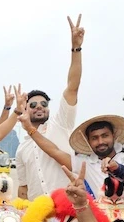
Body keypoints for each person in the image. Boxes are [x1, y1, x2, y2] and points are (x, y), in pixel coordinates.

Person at [16, 15, 84, 200]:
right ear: (25, 110)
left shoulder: (61, 123)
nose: (39, 107)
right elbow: (23, 189)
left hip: (68, 208)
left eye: (44, 104)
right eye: (33, 105)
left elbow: (73, 86)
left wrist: (76, 48)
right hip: (39, 215)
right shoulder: (22, 148)